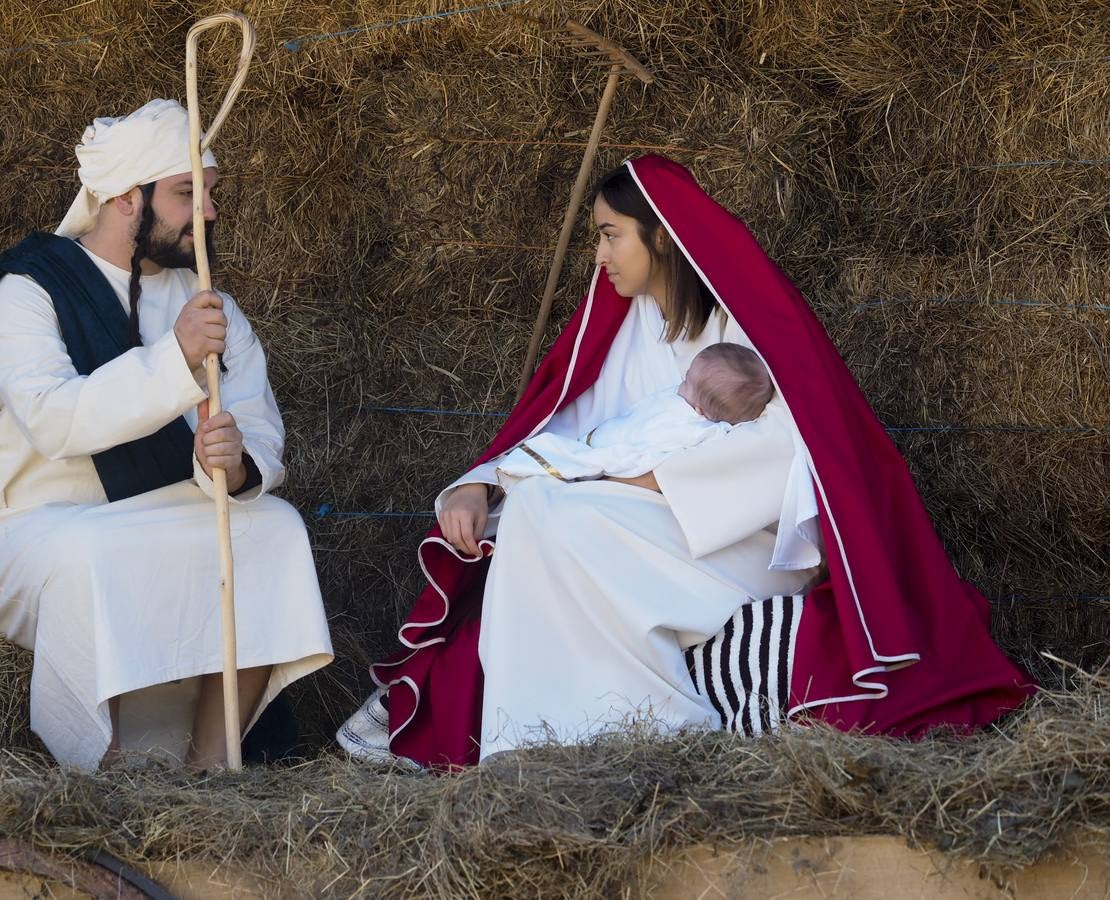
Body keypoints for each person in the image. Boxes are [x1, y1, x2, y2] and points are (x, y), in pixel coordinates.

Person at [339, 155, 1032, 768]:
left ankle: (651, 724)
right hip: (632, 527)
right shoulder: (621, 325)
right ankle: (546, 743)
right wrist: (476, 483)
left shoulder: (746, 325)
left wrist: (633, 481)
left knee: (554, 513)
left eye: (611, 235)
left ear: (661, 237)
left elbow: (789, 449)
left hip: (732, 544)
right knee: (533, 513)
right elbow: (565, 428)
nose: (600, 255)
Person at [0, 99, 332, 771]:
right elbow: (58, 421)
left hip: (159, 515)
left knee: (275, 527)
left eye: (212, 194)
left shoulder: (210, 303)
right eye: (187, 194)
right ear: (124, 197)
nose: (208, 213)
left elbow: (256, 422)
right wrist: (174, 360)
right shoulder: (29, 290)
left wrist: (233, 465)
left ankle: (215, 767)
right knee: (94, 551)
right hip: (19, 523)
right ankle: (107, 767)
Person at [496, 342, 773, 486]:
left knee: (577, 457)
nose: (680, 384)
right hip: (608, 437)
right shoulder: (712, 424)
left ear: (701, 410)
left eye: (687, 381)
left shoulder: (698, 429)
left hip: (621, 457)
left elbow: (655, 449)